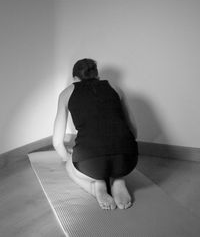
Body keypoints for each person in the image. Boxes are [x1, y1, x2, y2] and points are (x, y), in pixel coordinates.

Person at [53, 58, 138, 210]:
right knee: (114, 159)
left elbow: (57, 143)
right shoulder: (115, 88)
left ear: (75, 78)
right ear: (97, 75)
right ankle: (118, 180)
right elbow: (133, 130)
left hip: (91, 165)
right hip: (128, 160)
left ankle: (97, 186)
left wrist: (67, 158)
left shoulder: (66, 93)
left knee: (69, 166)